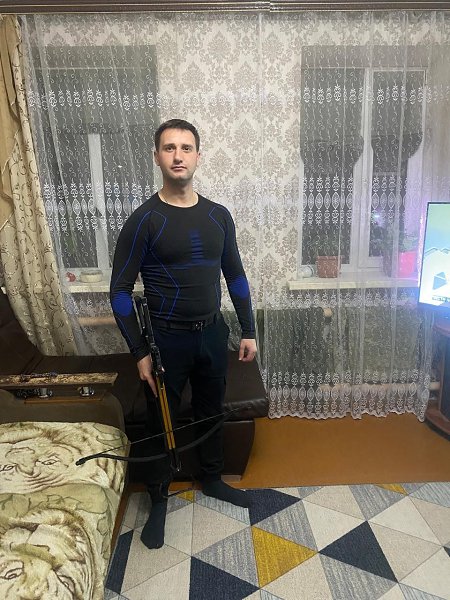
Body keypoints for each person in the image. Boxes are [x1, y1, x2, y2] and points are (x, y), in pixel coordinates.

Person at [110, 119, 257, 549]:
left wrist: (248, 329)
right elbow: (119, 292)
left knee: (211, 409)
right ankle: (158, 498)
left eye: (186, 148)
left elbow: (236, 276)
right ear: (157, 157)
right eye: (169, 148)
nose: (178, 156)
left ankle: (211, 478)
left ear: (197, 156)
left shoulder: (218, 216)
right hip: (165, 341)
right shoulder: (144, 220)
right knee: (161, 420)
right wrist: (139, 351)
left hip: (211, 333)